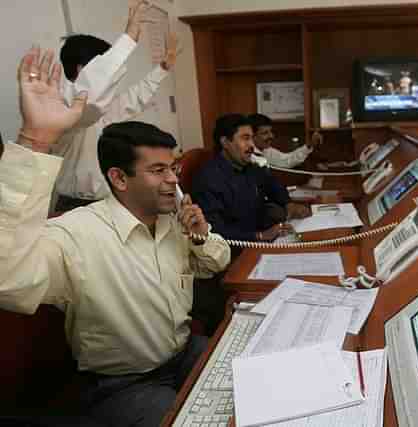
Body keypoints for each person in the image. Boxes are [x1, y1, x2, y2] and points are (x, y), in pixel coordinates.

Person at [1, 46, 230, 427]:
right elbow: (9, 278)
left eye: (173, 167)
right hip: (123, 383)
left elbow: (218, 263)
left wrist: (201, 235)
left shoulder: (171, 221)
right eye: (158, 170)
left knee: (245, 382)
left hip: (182, 350)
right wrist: (36, 139)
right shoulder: (77, 233)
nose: (174, 179)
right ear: (119, 178)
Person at [50, 0, 179, 212]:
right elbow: (93, 95)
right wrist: (129, 38)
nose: (111, 76)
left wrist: (162, 69)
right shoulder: (65, 106)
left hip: (107, 201)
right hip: (77, 206)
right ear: (83, 68)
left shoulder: (96, 109)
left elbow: (132, 99)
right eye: (104, 63)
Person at [191, 114, 311, 247]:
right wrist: (259, 236)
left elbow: (272, 184)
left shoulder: (248, 167)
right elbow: (215, 231)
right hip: (238, 250)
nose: (252, 145)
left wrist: (288, 204)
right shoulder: (208, 178)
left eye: (252, 139)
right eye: (245, 138)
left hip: (263, 237)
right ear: (225, 142)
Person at [248, 113, 322, 169]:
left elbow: (286, 160)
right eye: (265, 133)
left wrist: (310, 144)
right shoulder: (248, 156)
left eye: (271, 132)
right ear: (252, 136)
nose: (271, 136)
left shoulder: (266, 150)